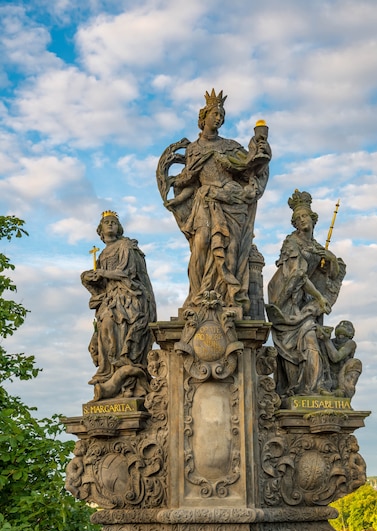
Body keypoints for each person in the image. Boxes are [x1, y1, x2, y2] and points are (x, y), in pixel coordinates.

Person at [157, 89, 271, 316]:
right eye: (215, 114)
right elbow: (191, 180)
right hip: (205, 202)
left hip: (231, 203)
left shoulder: (230, 146)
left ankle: (229, 298)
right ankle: (197, 295)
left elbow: (251, 166)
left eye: (221, 115)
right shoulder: (194, 149)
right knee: (201, 245)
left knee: (231, 250)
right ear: (204, 117)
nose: (218, 118)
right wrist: (176, 198)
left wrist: (260, 147)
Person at [266, 190, 345, 397]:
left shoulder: (316, 246)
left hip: (306, 305)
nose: (302, 220)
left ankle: (314, 387)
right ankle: (305, 389)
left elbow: (331, 276)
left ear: (313, 220)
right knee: (304, 342)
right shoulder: (291, 243)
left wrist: (332, 259)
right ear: (295, 223)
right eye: (298, 218)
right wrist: (319, 297)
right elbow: (298, 275)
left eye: (305, 216)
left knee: (313, 339)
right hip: (288, 305)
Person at [81, 211, 157, 401]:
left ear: (119, 227)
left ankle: (127, 381)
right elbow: (102, 284)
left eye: (114, 222)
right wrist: (90, 277)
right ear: (100, 229)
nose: (111, 225)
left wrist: (102, 273)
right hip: (111, 299)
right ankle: (110, 375)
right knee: (104, 333)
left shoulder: (125, 245)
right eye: (107, 222)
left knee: (117, 332)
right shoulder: (103, 253)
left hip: (128, 297)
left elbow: (127, 273)